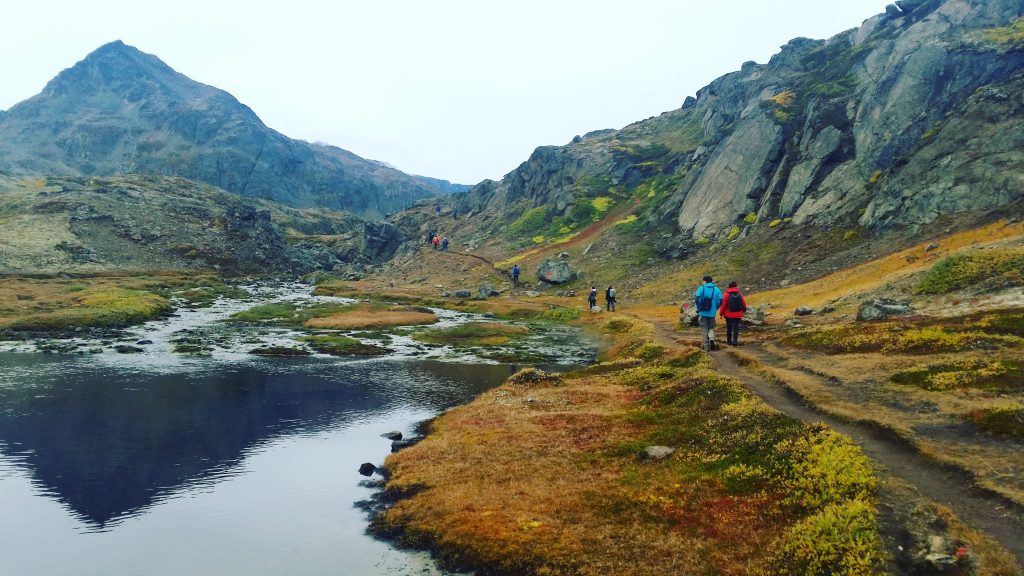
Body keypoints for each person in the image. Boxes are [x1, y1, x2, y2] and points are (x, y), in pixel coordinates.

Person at [694, 275, 723, 351]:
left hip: (703, 312)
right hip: (712, 313)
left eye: (703, 281)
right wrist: (716, 307)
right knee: (711, 328)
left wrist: (698, 306)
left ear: (705, 281)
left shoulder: (701, 288)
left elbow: (696, 298)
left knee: (704, 329)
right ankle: (712, 339)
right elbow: (721, 300)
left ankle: (706, 347)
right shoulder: (717, 289)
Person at [719, 280, 747, 346]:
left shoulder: (726, 294)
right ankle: (735, 341)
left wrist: (721, 313)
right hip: (738, 314)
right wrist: (744, 310)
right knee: (736, 327)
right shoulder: (739, 294)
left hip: (728, 315)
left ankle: (729, 342)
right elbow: (743, 304)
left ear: (729, 286)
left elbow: (723, 305)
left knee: (729, 328)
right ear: (736, 286)